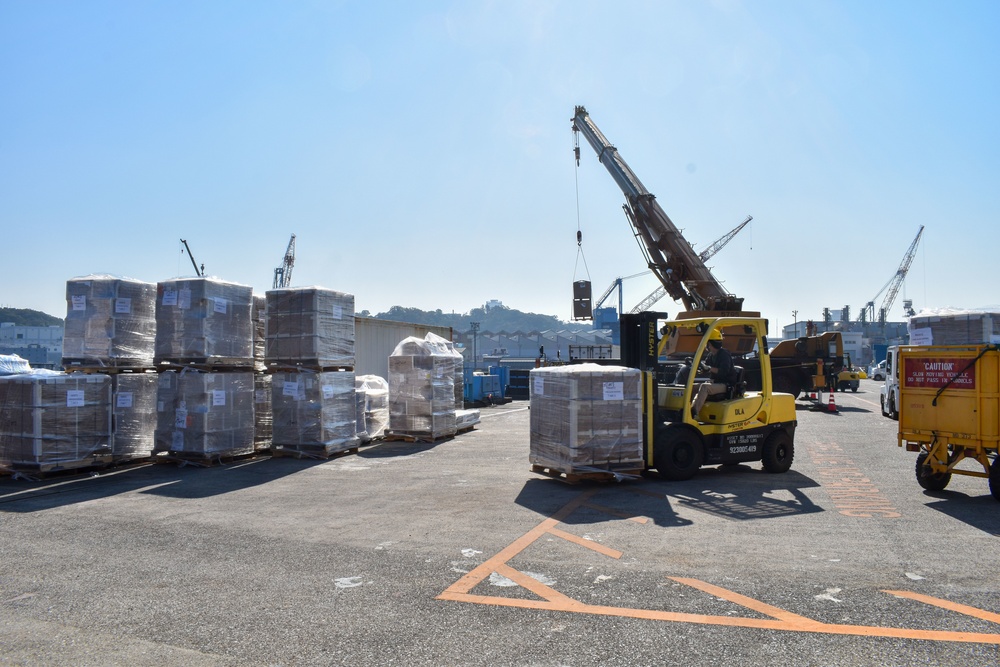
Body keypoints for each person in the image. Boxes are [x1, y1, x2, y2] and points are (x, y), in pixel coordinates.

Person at [691, 329, 736, 419]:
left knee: (704, 387)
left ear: (710, 344)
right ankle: (687, 409)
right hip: (715, 383)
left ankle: (694, 414)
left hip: (726, 384)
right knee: (692, 387)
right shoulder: (711, 355)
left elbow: (723, 372)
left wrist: (709, 368)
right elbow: (706, 367)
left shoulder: (724, 355)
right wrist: (701, 369)